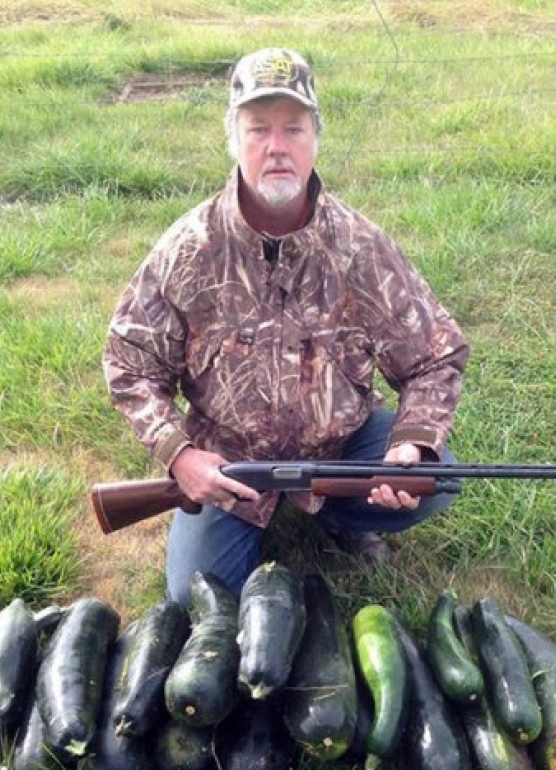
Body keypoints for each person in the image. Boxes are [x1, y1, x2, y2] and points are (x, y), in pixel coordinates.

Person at [102, 47, 469, 602]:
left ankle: (343, 515)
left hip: (339, 450)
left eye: (294, 129)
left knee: (438, 478)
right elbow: (129, 365)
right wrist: (181, 456)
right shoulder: (188, 250)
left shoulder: (360, 247)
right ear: (235, 140)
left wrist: (409, 449)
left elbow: (436, 355)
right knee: (197, 600)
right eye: (259, 130)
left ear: (315, 140)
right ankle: (254, 519)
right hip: (229, 468)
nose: (277, 147)